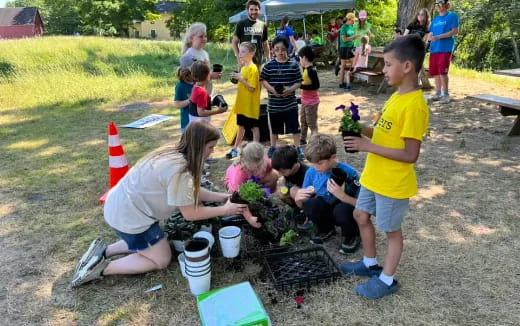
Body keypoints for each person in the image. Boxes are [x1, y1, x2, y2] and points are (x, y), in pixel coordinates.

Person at [71, 121, 259, 287]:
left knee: (155, 242)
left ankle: (103, 251)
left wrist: (220, 197)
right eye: (210, 147)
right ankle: (100, 269)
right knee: (162, 258)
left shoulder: (174, 152)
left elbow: (188, 193)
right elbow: (191, 214)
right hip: (129, 217)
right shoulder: (181, 171)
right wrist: (224, 209)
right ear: (199, 145)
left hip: (125, 208)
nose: (212, 152)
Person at [341, 35, 429, 299]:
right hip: (373, 176)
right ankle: (370, 264)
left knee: (391, 231)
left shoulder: (415, 106)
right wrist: (360, 129)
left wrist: (367, 146)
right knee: (360, 215)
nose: (383, 69)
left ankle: (387, 279)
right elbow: (381, 132)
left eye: (388, 64)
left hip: (392, 183)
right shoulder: (396, 97)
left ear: (407, 67)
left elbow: (410, 154)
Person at [295, 134, 361, 253]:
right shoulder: (312, 172)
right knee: (311, 204)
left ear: (333, 157)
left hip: (345, 210)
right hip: (327, 208)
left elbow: (364, 205)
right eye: (312, 163)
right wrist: (299, 199)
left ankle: (352, 234)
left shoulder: (349, 173)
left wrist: (342, 196)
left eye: (320, 163)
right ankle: (326, 229)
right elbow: (303, 204)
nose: (316, 167)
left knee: (341, 210)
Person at [260, 36, 303, 160]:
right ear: (273, 50)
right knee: (274, 128)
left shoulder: (293, 65)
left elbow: (299, 81)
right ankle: (273, 147)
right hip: (274, 104)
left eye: (283, 49)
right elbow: (263, 80)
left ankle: (297, 147)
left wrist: (290, 89)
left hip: (290, 103)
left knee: (295, 127)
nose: (280, 52)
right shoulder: (269, 65)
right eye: (277, 49)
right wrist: (273, 90)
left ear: (287, 49)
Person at [226, 42, 261, 159]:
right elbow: (242, 83)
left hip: (250, 105)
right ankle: (235, 148)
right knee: (241, 126)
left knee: (254, 128)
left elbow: (251, 88)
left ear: (252, 53)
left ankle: (256, 150)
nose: (240, 54)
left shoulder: (253, 68)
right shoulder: (243, 67)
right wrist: (237, 78)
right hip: (241, 104)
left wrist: (241, 79)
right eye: (240, 51)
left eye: (243, 51)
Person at [428, 0, 459, 104]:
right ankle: (437, 93)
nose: (438, 6)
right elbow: (430, 33)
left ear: (446, 5)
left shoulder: (452, 16)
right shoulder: (435, 19)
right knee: (435, 72)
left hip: (445, 48)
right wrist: (429, 38)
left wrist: (438, 37)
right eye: (436, 4)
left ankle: (445, 94)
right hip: (434, 49)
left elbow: (455, 31)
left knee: (443, 72)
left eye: (440, 3)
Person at [271, 146, 310, 228]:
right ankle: (296, 209)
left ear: (294, 165)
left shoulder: (307, 173)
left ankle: (307, 215)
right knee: (281, 192)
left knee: (293, 190)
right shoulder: (288, 170)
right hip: (297, 198)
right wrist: (283, 187)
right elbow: (285, 183)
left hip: (308, 200)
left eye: (283, 172)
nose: (281, 174)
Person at [179, 22, 222, 95]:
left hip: (206, 93)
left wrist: (213, 74)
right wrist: (210, 76)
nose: (204, 39)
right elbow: (191, 78)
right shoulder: (189, 56)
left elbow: (206, 71)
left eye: (205, 36)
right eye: (201, 36)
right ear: (191, 38)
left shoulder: (205, 53)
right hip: (195, 95)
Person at [232, 0, 270, 68]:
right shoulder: (241, 24)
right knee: (243, 78)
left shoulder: (263, 25)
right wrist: (238, 59)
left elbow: (265, 44)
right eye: (251, 9)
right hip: (244, 61)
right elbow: (234, 42)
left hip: (259, 61)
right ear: (247, 10)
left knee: (257, 78)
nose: (254, 12)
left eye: (256, 9)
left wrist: (269, 59)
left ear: (259, 10)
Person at [404, 8, 432, 88]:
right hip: (408, 48)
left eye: (422, 14)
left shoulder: (427, 28)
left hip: (419, 49)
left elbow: (426, 41)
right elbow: (404, 36)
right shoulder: (412, 24)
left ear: (426, 16)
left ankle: (413, 86)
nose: (419, 16)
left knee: (415, 69)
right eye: (419, 14)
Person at [298, 46, 320, 145]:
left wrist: (301, 86)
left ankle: (316, 141)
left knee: (311, 123)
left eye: (300, 58)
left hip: (311, 102)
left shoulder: (312, 70)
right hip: (305, 100)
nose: (299, 61)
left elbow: (316, 85)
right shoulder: (306, 70)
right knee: (303, 120)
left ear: (305, 58)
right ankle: (302, 139)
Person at [339, 13, 362, 89]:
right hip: (344, 48)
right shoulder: (343, 27)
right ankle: (341, 83)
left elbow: (354, 36)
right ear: (349, 19)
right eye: (353, 20)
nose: (353, 22)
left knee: (354, 62)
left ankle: (349, 79)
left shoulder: (351, 27)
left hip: (351, 47)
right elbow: (344, 39)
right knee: (343, 66)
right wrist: (354, 37)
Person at [173, 67, 193, 133]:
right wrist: (190, 99)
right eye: (191, 74)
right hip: (187, 121)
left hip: (199, 119)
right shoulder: (180, 86)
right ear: (186, 77)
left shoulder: (196, 83)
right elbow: (177, 105)